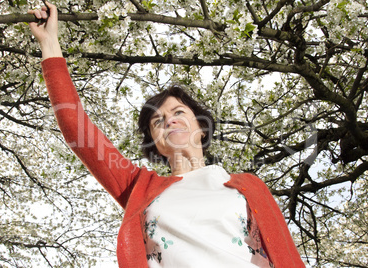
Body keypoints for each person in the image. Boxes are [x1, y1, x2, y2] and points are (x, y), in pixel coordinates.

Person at [28, 2, 305, 267]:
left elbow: (285, 255)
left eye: (179, 112)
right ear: (155, 143)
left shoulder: (249, 186)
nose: (169, 120)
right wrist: (49, 43)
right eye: (158, 121)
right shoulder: (139, 189)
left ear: (201, 127)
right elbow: (78, 130)